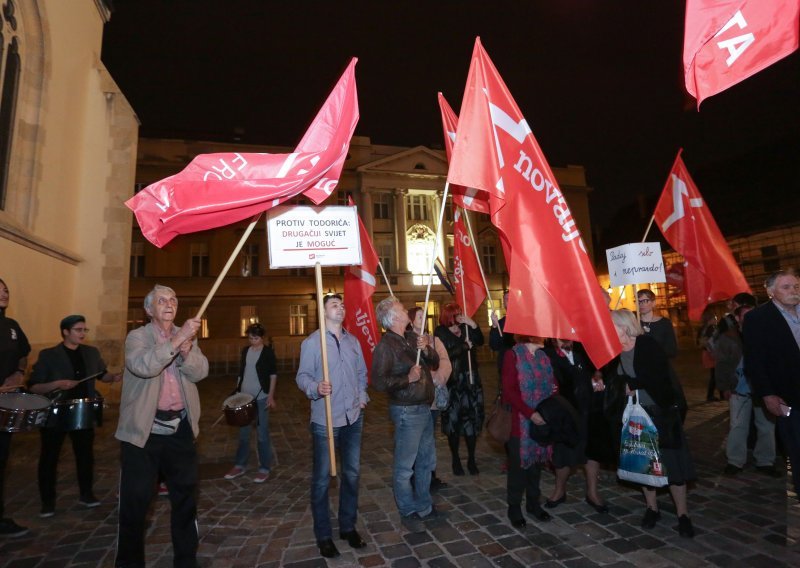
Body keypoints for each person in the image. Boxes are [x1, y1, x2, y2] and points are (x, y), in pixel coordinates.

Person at [115, 284, 209, 568]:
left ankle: (186, 560)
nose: (169, 304)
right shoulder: (137, 337)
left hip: (180, 431)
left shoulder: (186, 335)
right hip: (143, 436)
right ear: (148, 309)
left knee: (185, 502)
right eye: (162, 301)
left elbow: (200, 372)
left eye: (173, 300)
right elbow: (143, 365)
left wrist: (187, 351)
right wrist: (175, 341)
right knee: (135, 505)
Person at [610, 309, 695, 537]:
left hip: (661, 413)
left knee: (674, 466)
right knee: (644, 464)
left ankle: (683, 514)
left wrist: (633, 383)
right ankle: (652, 508)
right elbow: (614, 381)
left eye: (611, 326)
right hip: (636, 416)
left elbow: (658, 377)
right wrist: (619, 386)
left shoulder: (647, 344)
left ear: (624, 327)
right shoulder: (615, 352)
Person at [295, 294, 369, 559]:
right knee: (322, 480)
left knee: (352, 474)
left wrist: (362, 398)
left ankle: (348, 527)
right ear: (324, 312)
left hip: (352, 417)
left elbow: (361, 373)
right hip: (325, 419)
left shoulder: (352, 341)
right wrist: (315, 387)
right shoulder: (313, 343)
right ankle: (324, 535)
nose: (341, 308)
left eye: (342, 304)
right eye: (334, 305)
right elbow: (301, 376)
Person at [27, 315, 122, 517]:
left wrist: (113, 377)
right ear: (65, 332)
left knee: (85, 455)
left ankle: (86, 494)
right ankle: (48, 501)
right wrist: (58, 384)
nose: (82, 334)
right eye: (78, 330)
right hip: (55, 413)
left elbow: (101, 375)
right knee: (49, 457)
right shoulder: (49, 355)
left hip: (82, 411)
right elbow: (34, 386)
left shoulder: (91, 353)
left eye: (84, 330)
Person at [372, 296, 443, 533]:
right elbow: (379, 382)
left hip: (424, 408)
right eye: (401, 308)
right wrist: (407, 379)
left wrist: (427, 347)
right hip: (405, 411)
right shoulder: (386, 346)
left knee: (426, 461)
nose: (405, 310)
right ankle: (407, 510)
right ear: (393, 318)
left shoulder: (412, 338)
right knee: (405, 467)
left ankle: (424, 505)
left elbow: (433, 362)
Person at [743, 270, 800, 496]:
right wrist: (767, 394)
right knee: (796, 444)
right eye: (786, 287)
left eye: (796, 286)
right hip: (786, 397)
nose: (793, 291)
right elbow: (755, 361)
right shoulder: (758, 318)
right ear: (770, 291)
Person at [544, 339, 610, 513]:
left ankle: (592, 492)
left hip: (589, 412)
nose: (565, 339)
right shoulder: (548, 356)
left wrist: (597, 379)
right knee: (564, 454)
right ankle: (559, 490)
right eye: (561, 336)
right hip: (566, 414)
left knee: (591, 453)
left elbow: (596, 373)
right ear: (553, 338)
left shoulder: (582, 354)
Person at [715, 308, 779, 477]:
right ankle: (735, 461)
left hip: (763, 389)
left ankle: (765, 461)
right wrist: (724, 387)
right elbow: (721, 364)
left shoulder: (767, 333)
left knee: (766, 426)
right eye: (745, 314)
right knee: (737, 426)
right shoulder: (729, 337)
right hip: (738, 388)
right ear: (737, 317)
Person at [502, 335, 555, 528]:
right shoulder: (513, 355)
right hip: (520, 421)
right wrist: (530, 413)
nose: (546, 336)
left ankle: (534, 503)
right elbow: (509, 391)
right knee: (518, 467)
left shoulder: (543, 357)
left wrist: (550, 405)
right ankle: (514, 507)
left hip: (542, 419)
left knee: (536, 466)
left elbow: (552, 384)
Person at [434, 302, 484, 476]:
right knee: (453, 423)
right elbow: (444, 354)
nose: (460, 316)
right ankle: (455, 458)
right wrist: (464, 346)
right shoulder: (440, 331)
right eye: (457, 314)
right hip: (454, 382)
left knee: (472, 421)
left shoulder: (466, 328)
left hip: (471, 380)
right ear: (449, 316)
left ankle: (471, 458)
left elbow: (480, 341)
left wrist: (473, 324)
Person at [224, 323, 277, 484]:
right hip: (245, 397)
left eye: (256, 338)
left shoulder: (268, 353)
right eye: (250, 338)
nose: (252, 341)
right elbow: (242, 371)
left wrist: (271, 396)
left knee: (262, 435)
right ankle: (240, 465)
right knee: (243, 435)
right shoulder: (246, 351)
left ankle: (264, 468)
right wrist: (237, 390)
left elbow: (273, 375)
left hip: (261, 398)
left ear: (262, 338)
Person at [0, 278, 31, 538]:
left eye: (6, 289)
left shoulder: (11, 326)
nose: (4, 293)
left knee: (1, 461)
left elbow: (24, 352)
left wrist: (19, 372)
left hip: (4, 405)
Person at [408, 306, 450, 491]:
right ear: (410, 321)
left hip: (431, 400)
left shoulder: (434, 340)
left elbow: (445, 362)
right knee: (414, 440)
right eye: (418, 316)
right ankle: (414, 475)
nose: (422, 319)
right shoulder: (405, 342)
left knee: (429, 439)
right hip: (413, 400)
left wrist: (437, 378)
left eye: (424, 316)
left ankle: (430, 475)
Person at [697, 307, 719, 402]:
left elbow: (698, 342)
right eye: (714, 318)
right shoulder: (711, 328)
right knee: (715, 375)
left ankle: (712, 394)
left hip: (706, 352)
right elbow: (713, 342)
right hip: (712, 353)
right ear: (710, 319)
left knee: (714, 374)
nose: (716, 319)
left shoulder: (702, 328)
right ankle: (711, 395)